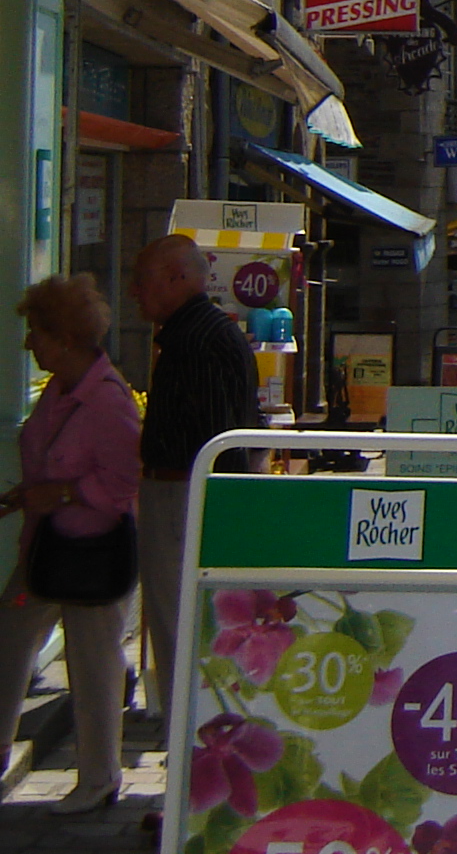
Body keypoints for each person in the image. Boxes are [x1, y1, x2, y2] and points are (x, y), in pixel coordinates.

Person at [0, 276, 143, 815]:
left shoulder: (106, 400)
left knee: (92, 662)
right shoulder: (59, 390)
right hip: (45, 552)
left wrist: (59, 492)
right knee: (9, 639)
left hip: (93, 557)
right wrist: (29, 497)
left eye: (35, 332)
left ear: (62, 337)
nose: (28, 344)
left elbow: (123, 483)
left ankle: (99, 776)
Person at [132, 234, 261, 738]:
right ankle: (183, 751)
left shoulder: (201, 339)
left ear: (177, 278)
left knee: (181, 630)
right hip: (179, 494)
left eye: (142, 281)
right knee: (176, 628)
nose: (135, 294)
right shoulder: (192, 335)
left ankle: (185, 752)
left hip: (185, 497)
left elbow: (215, 442)